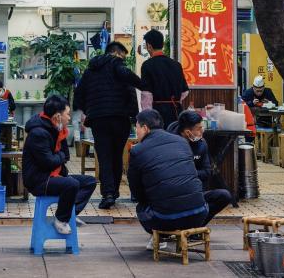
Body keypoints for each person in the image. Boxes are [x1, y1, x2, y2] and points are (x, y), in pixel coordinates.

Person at [128, 110, 232, 246]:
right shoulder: (182, 142)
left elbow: (136, 191)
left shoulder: (137, 150)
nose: (136, 131)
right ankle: (187, 229)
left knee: (141, 207)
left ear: (145, 128)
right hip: (197, 215)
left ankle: (161, 234)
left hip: (164, 219)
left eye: (137, 127)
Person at [74, 41, 144, 209]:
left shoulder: (90, 71)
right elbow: (131, 92)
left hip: (99, 120)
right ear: (116, 53)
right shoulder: (118, 66)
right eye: (123, 56)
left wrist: (90, 110)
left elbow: (78, 95)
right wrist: (134, 116)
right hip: (120, 118)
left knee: (104, 156)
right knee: (117, 155)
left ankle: (108, 194)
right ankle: (114, 191)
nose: (123, 60)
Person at [22, 94, 97, 235]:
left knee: (90, 182)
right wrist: (60, 156)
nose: (69, 118)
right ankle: (61, 220)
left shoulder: (57, 129)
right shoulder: (38, 133)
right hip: (39, 180)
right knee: (71, 184)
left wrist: (60, 143)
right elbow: (49, 162)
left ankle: (69, 213)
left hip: (53, 174)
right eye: (67, 114)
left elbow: (65, 156)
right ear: (57, 116)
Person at [140, 29, 189, 128]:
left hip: (157, 113)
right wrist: (173, 100)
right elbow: (185, 92)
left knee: (159, 136)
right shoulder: (176, 65)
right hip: (176, 112)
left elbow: (146, 95)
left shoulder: (147, 65)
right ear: (162, 44)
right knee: (174, 135)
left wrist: (147, 119)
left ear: (149, 46)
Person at [168, 110, 212, 188]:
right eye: (199, 129)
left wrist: (188, 174)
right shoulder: (169, 145)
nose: (202, 131)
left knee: (223, 193)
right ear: (188, 132)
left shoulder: (202, 143)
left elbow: (207, 172)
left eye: (202, 127)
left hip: (196, 187)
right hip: (176, 188)